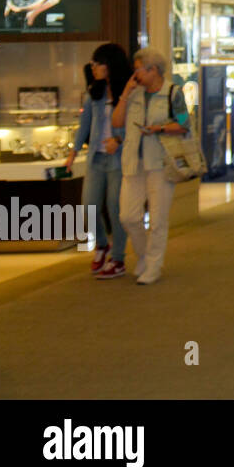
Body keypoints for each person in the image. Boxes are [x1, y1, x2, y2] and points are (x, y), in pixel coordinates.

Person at [112, 49, 188, 286]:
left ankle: (154, 265)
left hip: (161, 163)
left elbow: (185, 124)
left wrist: (160, 129)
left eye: (138, 70)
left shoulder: (172, 93)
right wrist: (125, 94)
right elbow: (116, 123)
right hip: (133, 162)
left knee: (157, 219)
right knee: (128, 216)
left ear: (153, 70)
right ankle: (144, 256)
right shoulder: (134, 93)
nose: (135, 75)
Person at [67, 43, 131, 279]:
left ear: (110, 64)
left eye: (98, 63)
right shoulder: (95, 91)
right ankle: (102, 244)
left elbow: (134, 125)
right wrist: (74, 150)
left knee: (115, 208)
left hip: (118, 159)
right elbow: (85, 124)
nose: (93, 68)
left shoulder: (127, 92)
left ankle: (118, 258)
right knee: (89, 207)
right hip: (96, 157)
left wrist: (119, 140)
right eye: (92, 64)